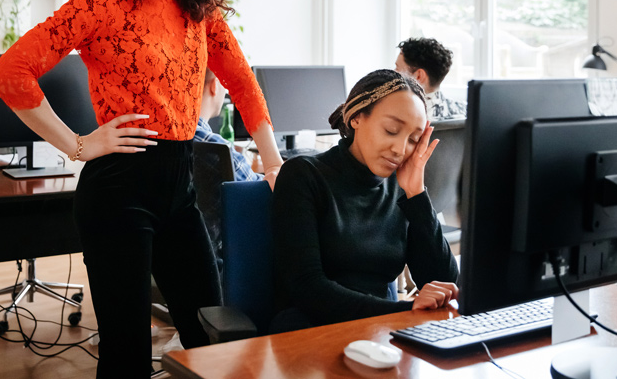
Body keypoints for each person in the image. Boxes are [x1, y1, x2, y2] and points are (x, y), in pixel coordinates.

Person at [0, 0, 283, 378]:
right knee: (126, 353)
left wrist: (272, 161)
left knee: (212, 335)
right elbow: (9, 74)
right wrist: (77, 145)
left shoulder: (200, 12)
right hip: (117, 191)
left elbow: (243, 83)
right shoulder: (102, 1)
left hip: (180, 190)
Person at [270, 69, 459, 333]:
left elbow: (443, 283)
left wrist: (417, 195)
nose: (400, 149)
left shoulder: (401, 188)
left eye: (413, 140)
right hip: (309, 330)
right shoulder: (304, 175)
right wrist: (402, 311)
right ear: (357, 117)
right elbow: (307, 289)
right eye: (391, 130)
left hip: (379, 331)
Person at [195, 69, 262, 183]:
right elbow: (255, 185)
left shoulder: (172, 136)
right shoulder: (217, 147)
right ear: (215, 85)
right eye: (224, 84)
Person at [394, 37, 467, 120]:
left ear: (419, 76)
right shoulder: (465, 111)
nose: (393, 72)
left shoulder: (396, 116)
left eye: (397, 68)